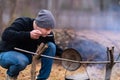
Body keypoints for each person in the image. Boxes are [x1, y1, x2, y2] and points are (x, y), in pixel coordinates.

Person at [0, 9, 61, 80]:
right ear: (38, 25)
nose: (49, 32)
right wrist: (28, 35)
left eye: (50, 29)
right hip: (7, 54)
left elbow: (54, 47)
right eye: (47, 29)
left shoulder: (47, 34)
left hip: (27, 57)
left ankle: (42, 78)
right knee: (21, 61)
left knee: (51, 46)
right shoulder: (23, 22)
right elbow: (6, 34)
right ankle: (11, 75)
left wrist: (65, 54)